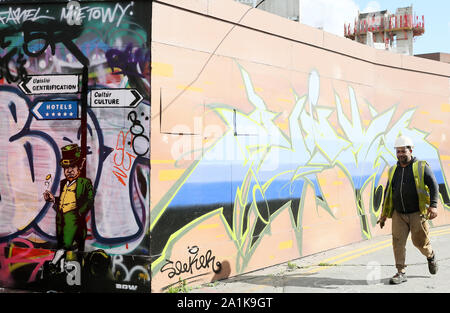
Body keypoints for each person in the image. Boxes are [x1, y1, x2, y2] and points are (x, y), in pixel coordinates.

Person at [378, 135, 439, 284]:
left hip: (417, 212)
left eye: (403, 151)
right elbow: (388, 192)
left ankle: (430, 256)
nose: (400, 155)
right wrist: (384, 214)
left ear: (410, 150)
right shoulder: (393, 170)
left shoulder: (421, 166)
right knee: (397, 242)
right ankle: (401, 272)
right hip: (398, 213)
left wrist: (434, 205)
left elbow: (434, 185)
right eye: (397, 152)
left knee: (420, 242)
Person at [44, 143, 94, 265]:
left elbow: (89, 200)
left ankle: (54, 263)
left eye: (73, 167)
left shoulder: (84, 183)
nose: (69, 171)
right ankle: (59, 266)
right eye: (66, 168)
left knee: (67, 246)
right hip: (61, 220)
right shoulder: (63, 183)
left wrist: (78, 213)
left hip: (74, 220)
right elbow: (63, 200)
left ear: (79, 168)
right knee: (62, 244)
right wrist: (53, 199)